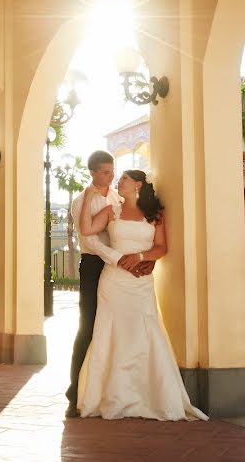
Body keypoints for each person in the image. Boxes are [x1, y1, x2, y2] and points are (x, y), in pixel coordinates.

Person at [75, 169, 207, 421]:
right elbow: (86, 228)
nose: (119, 181)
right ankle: (110, 398)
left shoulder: (154, 214)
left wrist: (141, 257)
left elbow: (162, 247)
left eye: (124, 178)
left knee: (145, 331)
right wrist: (88, 193)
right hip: (114, 282)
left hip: (141, 281)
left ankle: (150, 397)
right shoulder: (112, 210)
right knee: (111, 333)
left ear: (137, 184)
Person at [64, 151, 156, 418]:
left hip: (121, 268)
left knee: (119, 327)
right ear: (92, 172)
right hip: (94, 266)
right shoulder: (81, 200)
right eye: (105, 172)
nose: (111, 176)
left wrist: (144, 258)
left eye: (112, 170)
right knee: (90, 327)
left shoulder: (119, 197)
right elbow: (89, 239)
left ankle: (116, 390)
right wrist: (119, 259)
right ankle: (75, 394)